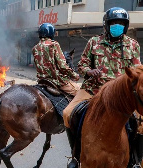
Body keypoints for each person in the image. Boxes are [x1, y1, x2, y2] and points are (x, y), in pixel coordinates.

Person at [63, 7, 141, 168]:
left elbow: (137, 70)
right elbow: (82, 64)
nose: (117, 25)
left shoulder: (132, 45)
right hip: (93, 89)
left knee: (141, 123)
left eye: (120, 23)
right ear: (106, 25)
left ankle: (135, 158)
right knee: (67, 113)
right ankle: (76, 155)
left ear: (125, 26)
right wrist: (89, 71)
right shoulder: (93, 42)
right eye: (114, 23)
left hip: (121, 96)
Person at [32, 23, 80, 96]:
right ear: (51, 33)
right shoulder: (54, 45)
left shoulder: (35, 48)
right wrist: (74, 75)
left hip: (42, 81)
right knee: (79, 93)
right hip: (57, 81)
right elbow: (62, 66)